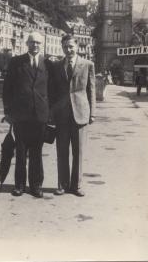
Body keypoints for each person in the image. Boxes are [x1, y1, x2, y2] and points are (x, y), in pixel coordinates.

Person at [2, 32, 50, 198]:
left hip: (40, 115)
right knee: (21, 151)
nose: (35, 45)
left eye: (38, 42)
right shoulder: (16, 62)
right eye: (32, 42)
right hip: (21, 115)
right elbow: (7, 88)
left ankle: (36, 186)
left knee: (37, 152)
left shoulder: (48, 63)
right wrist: (7, 111)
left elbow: (52, 91)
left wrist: (50, 113)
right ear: (27, 43)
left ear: (41, 44)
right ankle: (19, 185)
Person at [49, 34, 96, 197]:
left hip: (81, 113)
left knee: (78, 151)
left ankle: (76, 186)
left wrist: (93, 113)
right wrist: (51, 112)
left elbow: (92, 90)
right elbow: (52, 91)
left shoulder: (88, 64)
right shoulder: (56, 66)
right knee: (61, 151)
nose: (68, 50)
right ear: (62, 48)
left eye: (71, 46)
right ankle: (62, 185)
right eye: (65, 47)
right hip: (61, 114)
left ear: (77, 47)